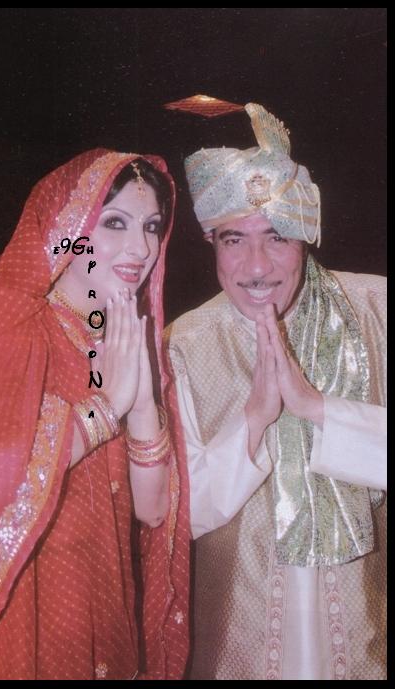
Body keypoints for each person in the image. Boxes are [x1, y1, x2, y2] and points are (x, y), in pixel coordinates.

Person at [165, 103, 386, 680]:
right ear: (211, 242)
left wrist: (318, 408)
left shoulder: (378, 311)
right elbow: (179, 512)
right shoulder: (183, 345)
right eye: (234, 239)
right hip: (239, 625)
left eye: (277, 236)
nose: (256, 265)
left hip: (370, 616)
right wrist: (254, 419)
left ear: (306, 238)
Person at [0, 149, 190, 680]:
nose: (141, 248)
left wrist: (142, 399)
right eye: (115, 223)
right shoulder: (11, 328)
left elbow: (153, 511)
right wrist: (104, 409)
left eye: (152, 226)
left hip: (105, 614)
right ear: (69, 231)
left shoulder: (128, 343)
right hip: (26, 622)